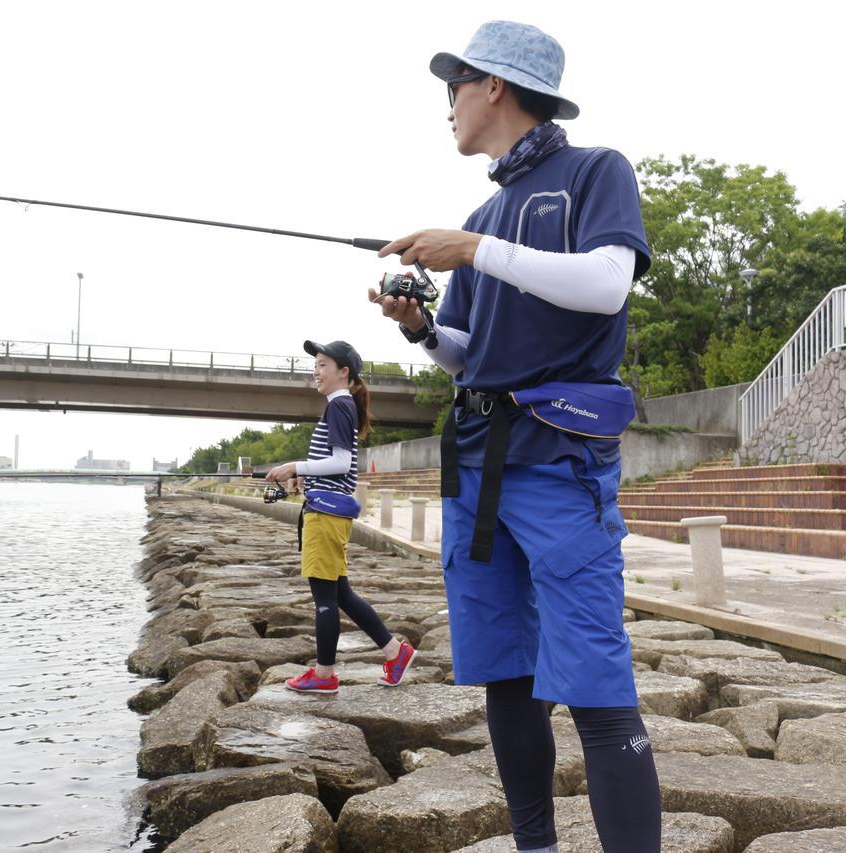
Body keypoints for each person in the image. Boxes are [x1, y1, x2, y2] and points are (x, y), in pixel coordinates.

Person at [368, 20, 662, 853]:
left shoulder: (593, 173)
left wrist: (477, 249)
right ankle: (536, 847)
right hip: (475, 474)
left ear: (493, 85)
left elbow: (607, 284)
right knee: (506, 675)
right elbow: (469, 355)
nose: (448, 106)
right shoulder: (481, 211)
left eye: (452, 86)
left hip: (562, 467)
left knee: (600, 688)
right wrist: (421, 328)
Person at [266, 339, 416, 694]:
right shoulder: (341, 405)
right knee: (342, 594)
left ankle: (324, 674)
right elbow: (335, 466)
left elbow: (341, 462)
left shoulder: (339, 406)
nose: (315, 372)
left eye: (322, 365)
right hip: (328, 507)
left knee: (325, 598)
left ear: (343, 372)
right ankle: (396, 653)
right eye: (315, 365)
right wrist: (305, 478)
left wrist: (293, 465)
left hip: (326, 514)